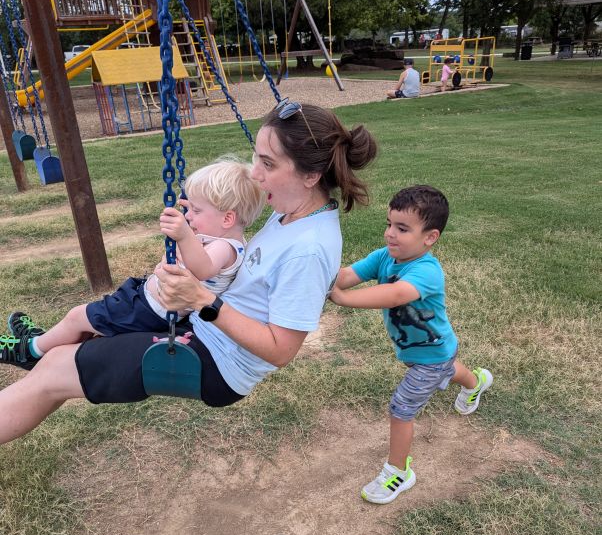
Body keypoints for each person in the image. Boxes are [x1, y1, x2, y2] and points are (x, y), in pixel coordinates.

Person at [0, 99, 377, 445]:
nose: (254, 173)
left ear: (311, 176)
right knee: (62, 354)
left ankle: (33, 353)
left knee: (56, 370)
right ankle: (34, 349)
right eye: (255, 158)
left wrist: (204, 300)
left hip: (217, 362)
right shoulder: (293, 212)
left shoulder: (308, 247)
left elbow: (281, 351)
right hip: (201, 328)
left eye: (268, 163)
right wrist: (203, 211)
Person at [2, 158, 266, 368]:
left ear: (228, 219)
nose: (189, 216)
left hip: (150, 310)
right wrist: (192, 229)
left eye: (196, 211)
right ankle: (40, 341)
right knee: (89, 325)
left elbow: (202, 269)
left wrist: (185, 235)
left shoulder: (224, 247)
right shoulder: (215, 237)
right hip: (146, 299)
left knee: (78, 317)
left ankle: (30, 351)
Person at [329, 185, 493, 505]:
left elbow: (397, 295)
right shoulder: (384, 257)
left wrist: (344, 299)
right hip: (431, 353)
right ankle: (476, 382)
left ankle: (399, 472)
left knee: (401, 409)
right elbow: (348, 274)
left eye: (402, 229)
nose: (391, 234)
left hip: (430, 354)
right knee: (448, 369)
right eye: (389, 224)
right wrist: (322, 280)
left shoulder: (426, 271)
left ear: (430, 237)